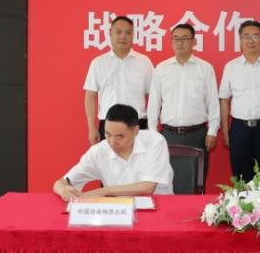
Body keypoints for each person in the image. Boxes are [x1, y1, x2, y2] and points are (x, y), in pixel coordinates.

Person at [53, 104, 173, 199]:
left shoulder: (155, 142)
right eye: (108, 134)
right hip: (119, 211)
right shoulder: (99, 151)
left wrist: (104, 191)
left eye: (119, 136)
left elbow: (148, 187)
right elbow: (60, 183)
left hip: (159, 206)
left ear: (136, 130)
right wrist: (64, 191)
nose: (112, 142)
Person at [219, 20, 260, 179]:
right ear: (240, 40)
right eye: (246, 36)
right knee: (241, 178)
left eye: (255, 36)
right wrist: (225, 131)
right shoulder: (231, 66)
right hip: (239, 128)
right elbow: (224, 101)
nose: (251, 41)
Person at [147, 23, 219, 158]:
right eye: (176, 38)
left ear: (194, 42)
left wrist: (213, 131)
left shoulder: (205, 68)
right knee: (167, 172)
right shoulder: (161, 68)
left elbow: (213, 102)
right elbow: (154, 102)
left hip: (197, 134)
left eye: (184, 38)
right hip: (168, 134)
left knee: (197, 171)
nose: (180, 42)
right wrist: (152, 132)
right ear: (171, 42)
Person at [83, 15, 153, 143]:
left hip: (137, 125)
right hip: (108, 125)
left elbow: (153, 97)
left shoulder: (144, 62)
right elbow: (90, 96)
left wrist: (151, 125)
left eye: (128, 32)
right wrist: (92, 128)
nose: (123, 36)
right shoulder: (98, 63)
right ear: (110, 33)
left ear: (133, 35)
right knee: (109, 157)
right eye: (119, 32)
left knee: (138, 156)